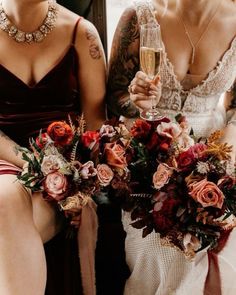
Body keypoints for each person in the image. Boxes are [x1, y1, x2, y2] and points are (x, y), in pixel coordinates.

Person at [107, 0, 236, 294]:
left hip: (217, 156)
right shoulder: (140, 17)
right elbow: (115, 98)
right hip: (151, 155)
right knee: (159, 245)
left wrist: (231, 134)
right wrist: (136, 101)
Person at [0, 0, 106, 294]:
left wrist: (79, 186)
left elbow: (96, 129)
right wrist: (36, 165)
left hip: (61, 178)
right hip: (4, 158)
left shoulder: (82, 34)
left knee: (9, 224)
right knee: (6, 197)